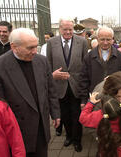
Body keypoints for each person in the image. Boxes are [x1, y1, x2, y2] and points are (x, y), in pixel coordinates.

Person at [0, 28, 60, 157]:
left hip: (41, 127)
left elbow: (51, 90)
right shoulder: (0, 66)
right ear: (14, 46)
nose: (34, 52)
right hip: (18, 130)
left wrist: (55, 113)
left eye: (36, 47)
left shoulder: (42, 61)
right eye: (30, 48)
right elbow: (1, 105)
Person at [47, 18, 88, 152]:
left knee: (76, 115)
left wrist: (83, 84)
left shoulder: (82, 42)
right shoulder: (51, 43)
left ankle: (77, 140)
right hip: (59, 85)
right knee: (64, 114)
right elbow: (48, 64)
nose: (68, 32)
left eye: (70, 29)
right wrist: (53, 75)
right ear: (59, 29)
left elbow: (85, 64)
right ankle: (69, 136)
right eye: (65, 29)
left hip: (76, 85)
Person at [79, 26, 121, 107]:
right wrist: (83, 100)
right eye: (102, 39)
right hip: (95, 100)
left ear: (113, 39)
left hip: (115, 100)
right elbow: (84, 80)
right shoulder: (89, 57)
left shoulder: (120, 56)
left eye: (108, 39)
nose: (105, 42)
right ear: (97, 39)